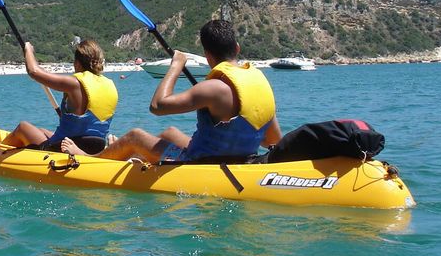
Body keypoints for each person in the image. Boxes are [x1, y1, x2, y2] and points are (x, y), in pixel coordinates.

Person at [62, 19, 281, 162]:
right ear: (237, 48)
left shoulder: (214, 88)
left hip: (203, 162)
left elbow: (157, 106)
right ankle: (137, 161)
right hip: (243, 156)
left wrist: (176, 65)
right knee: (170, 133)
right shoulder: (259, 82)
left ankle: (91, 158)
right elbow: (271, 140)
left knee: (135, 136)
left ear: (207, 55)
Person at [1, 39, 118, 154]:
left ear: (77, 63)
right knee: (42, 131)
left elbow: (34, 71)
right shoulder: (110, 85)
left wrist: (28, 49)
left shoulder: (75, 83)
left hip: (65, 147)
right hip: (96, 147)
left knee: (23, 127)